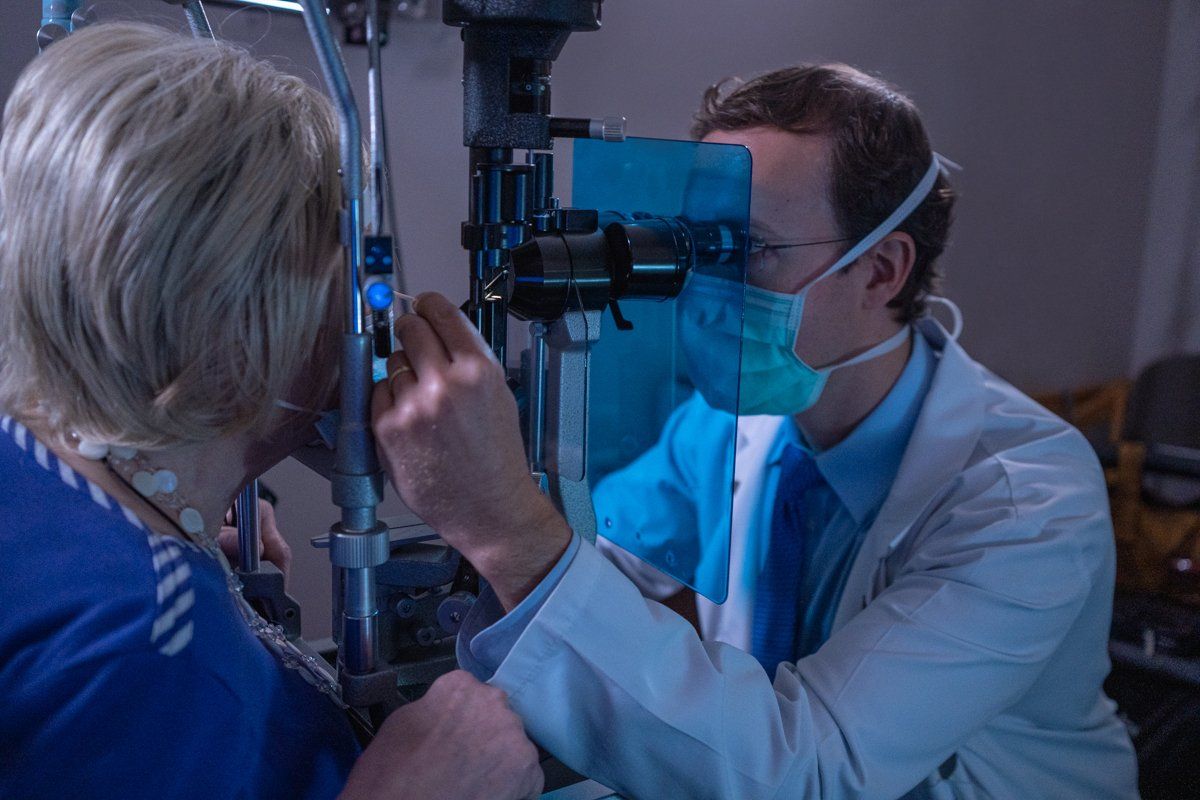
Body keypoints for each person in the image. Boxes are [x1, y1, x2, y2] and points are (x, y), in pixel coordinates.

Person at [372, 65, 1140, 798]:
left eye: (750, 251)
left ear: (882, 272)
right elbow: (592, 562)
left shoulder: (1025, 505)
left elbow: (813, 771)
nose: (704, 290)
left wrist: (503, 525)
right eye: (694, 246)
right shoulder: (720, 429)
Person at [0, 23, 541, 800]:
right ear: (247, 310)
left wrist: (207, 587)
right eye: (352, 275)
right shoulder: (147, 647)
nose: (374, 318)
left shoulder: (42, 466)